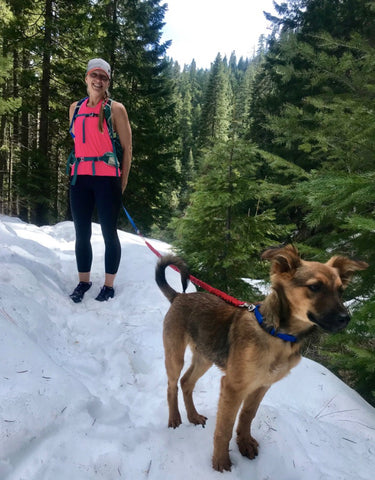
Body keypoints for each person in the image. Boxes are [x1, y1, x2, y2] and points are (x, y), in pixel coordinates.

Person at [68, 58, 132, 303]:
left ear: (108, 82)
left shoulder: (116, 109)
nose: (98, 81)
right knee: (81, 233)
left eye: (103, 77)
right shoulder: (75, 108)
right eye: (94, 75)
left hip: (107, 180)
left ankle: (108, 285)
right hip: (80, 178)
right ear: (86, 77)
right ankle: (84, 282)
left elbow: (127, 148)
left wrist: (122, 182)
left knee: (108, 233)